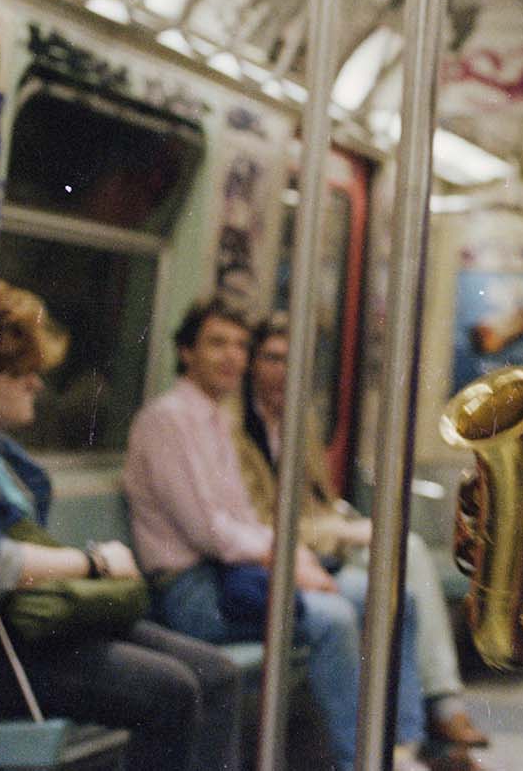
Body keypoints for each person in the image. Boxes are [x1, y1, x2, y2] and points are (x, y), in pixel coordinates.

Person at [0, 282, 241, 771]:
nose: (37, 385)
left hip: (9, 628)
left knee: (217, 674)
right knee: (170, 690)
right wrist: (92, 563)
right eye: (24, 373)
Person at [122, 297, 429, 771]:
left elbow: (244, 517)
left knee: (389, 596)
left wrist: (295, 562)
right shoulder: (167, 419)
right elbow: (209, 534)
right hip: (194, 591)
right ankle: (360, 761)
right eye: (216, 344)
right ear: (186, 352)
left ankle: (403, 744)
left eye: (241, 346)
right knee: (333, 618)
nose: (232, 357)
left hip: (237, 576)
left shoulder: (215, 420)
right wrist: (289, 564)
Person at [235, 312, 489, 767]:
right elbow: (261, 520)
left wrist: (344, 521)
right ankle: (438, 710)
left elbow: (318, 498)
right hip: (288, 550)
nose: (282, 371)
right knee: (398, 558)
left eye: (292, 361)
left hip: (319, 540)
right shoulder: (235, 434)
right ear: (254, 365)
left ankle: (421, 725)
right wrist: (344, 530)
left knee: (401, 567)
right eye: (272, 359)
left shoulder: (300, 421)